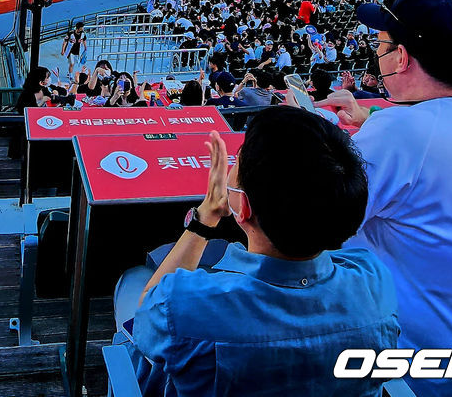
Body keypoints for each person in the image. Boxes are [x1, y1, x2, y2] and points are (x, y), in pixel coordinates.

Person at [114, 108, 397, 397]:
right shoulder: (374, 281)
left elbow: (147, 319)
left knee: (133, 280)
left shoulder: (185, 305)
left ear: (244, 207)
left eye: (239, 160)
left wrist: (205, 218)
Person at [321, 0, 452, 397]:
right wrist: (370, 116)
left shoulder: (400, 133)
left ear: (402, 58)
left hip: (420, 368)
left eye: (383, 44)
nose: (378, 52)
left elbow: (310, 223)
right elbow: (428, 136)